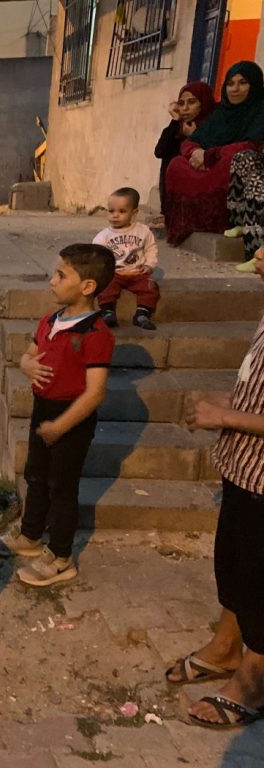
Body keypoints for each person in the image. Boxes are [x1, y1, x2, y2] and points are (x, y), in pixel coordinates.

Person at [0, 244, 116, 586]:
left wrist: (61, 426)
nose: (52, 281)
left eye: (61, 275)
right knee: (36, 474)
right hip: (43, 410)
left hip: (71, 419)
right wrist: (27, 365)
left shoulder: (96, 334)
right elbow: (28, 355)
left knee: (62, 487)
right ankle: (30, 535)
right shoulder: (50, 321)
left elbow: (96, 392)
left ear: (87, 286)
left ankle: (60, 557)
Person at [175, 246, 264, 728]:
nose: (259, 253)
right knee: (231, 564)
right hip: (243, 468)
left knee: (258, 579)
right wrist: (228, 402)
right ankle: (227, 645)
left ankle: (255, 679)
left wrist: (225, 417)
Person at [165, 61, 264, 245]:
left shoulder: (259, 111)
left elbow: (252, 145)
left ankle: (224, 221)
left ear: (255, 85)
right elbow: (190, 142)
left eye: (243, 83)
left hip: (232, 163)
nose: (235, 89)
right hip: (208, 162)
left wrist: (210, 155)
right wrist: (196, 151)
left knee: (232, 161)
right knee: (176, 164)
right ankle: (188, 222)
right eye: (230, 83)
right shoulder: (220, 113)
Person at [93, 187, 160, 330]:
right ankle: (107, 312)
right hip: (115, 273)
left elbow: (151, 248)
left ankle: (142, 314)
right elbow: (98, 256)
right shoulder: (103, 236)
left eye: (122, 211)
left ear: (134, 213)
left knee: (151, 287)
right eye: (111, 211)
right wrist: (104, 270)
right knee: (105, 286)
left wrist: (149, 265)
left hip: (138, 272)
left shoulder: (143, 231)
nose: (115, 215)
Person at [154, 82, 216, 225]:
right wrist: (175, 120)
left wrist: (194, 136)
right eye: (181, 104)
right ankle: (170, 211)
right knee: (170, 155)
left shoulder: (214, 125)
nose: (185, 108)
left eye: (192, 102)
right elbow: (159, 151)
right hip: (179, 198)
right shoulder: (179, 126)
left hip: (202, 194)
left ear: (203, 103)